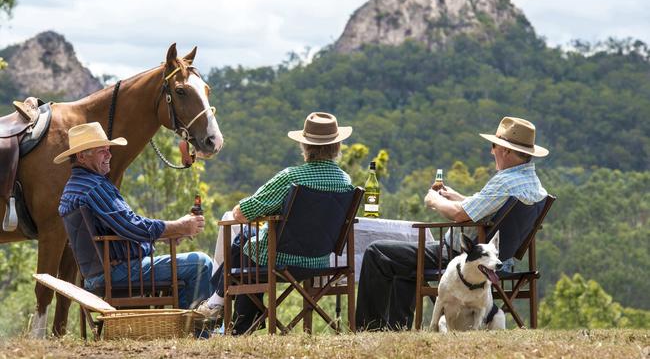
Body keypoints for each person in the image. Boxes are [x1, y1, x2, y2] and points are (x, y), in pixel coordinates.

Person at [355, 116, 549, 331]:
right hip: (502, 259)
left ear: (506, 150)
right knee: (404, 264)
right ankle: (396, 328)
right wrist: (456, 196)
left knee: (377, 252)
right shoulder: (533, 184)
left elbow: (458, 215)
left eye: (493, 146)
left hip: (463, 257)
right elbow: (489, 208)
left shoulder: (504, 181)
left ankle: (368, 328)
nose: (491, 151)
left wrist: (434, 200)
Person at [197, 112, 355, 334]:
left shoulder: (292, 177)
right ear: (337, 146)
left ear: (305, 145)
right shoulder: (346, 182)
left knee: (242, 246)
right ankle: (231, 318)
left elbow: (243, 213)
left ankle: (223, 311)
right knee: (245, 246)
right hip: (320, 261)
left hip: (282, 261)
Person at [55, 122, 212, 309]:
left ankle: (186, 326)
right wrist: (180, 227)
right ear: (82, 156)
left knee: (189, 266)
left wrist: (165, 235)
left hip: (96, 275)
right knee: (201, 263)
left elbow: (117, 230)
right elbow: (131, 226)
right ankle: (199, 329)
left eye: (108, 149)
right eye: (102, 151)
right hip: (118, 272)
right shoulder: (93, 187)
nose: (109, 155)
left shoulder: (73, 187)